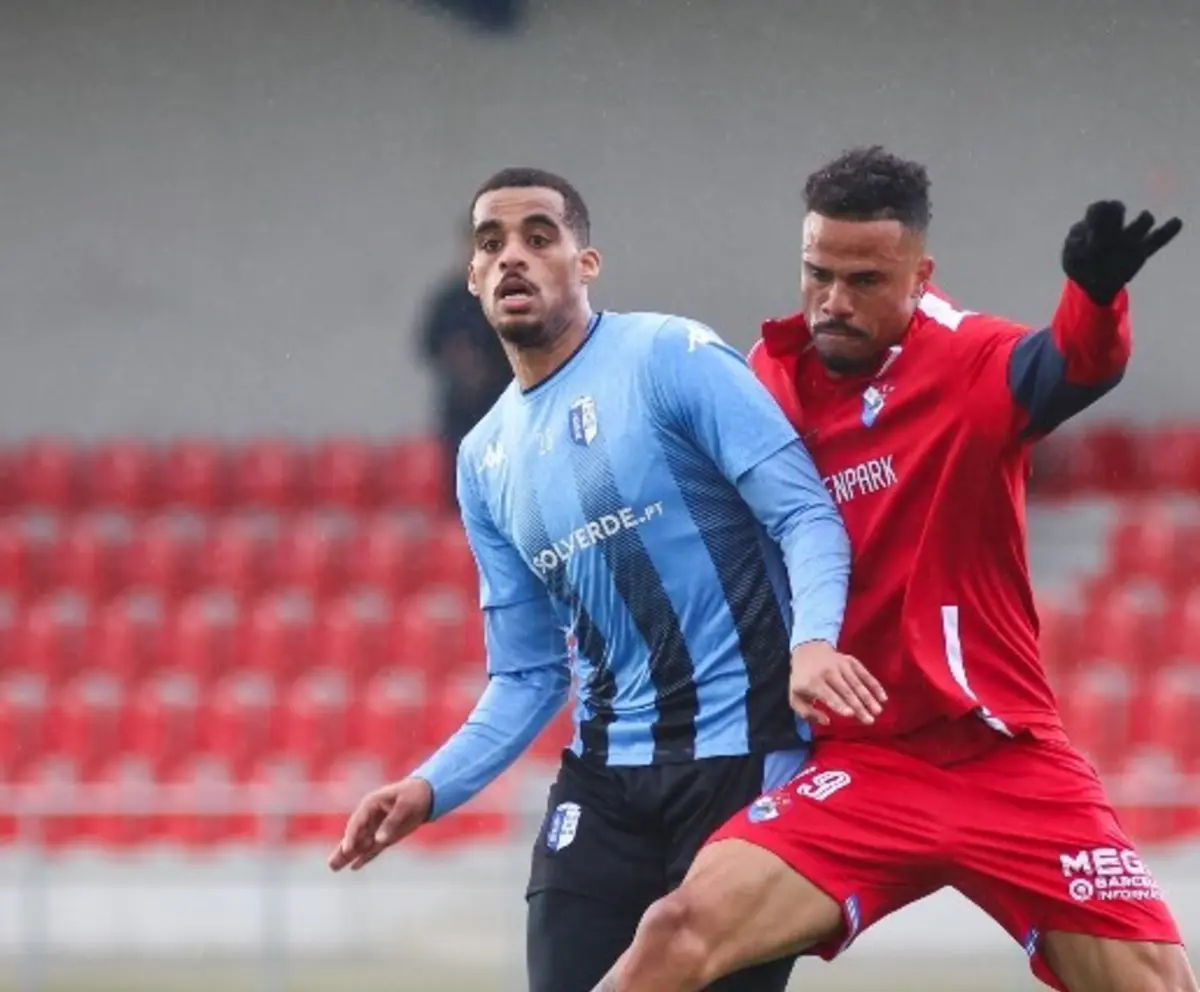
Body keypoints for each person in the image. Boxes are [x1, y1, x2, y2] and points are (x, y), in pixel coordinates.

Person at [593, 147, 1191, 992]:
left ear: (920, 274)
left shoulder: (971, 361)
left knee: (1156, 985)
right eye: (818, 273)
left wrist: (1094, 300)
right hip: (867, 767)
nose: (834, 301)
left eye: (865, 280)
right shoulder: (767, 382)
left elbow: (1070, 365)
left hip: (1004, 756)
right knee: (677, 930)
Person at [328, 167, 864, 992]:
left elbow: (806, 517)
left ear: (586, 263)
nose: (514, 257)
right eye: (491, 243)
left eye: (540, 238)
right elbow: (529, 673)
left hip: (739, 762)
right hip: (604, 782)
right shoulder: (484, 459)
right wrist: (431, 786)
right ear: (472, 278)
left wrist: (815, 643)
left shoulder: (671, 357)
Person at [416, 221, 513, 508]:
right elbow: (427, 345)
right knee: (461, 486)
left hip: (503, 410)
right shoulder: (448, 300)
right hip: (461, 413)